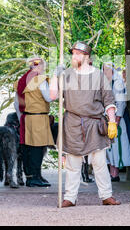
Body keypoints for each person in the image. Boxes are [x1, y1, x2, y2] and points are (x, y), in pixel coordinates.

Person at [50, 41, 120, 207]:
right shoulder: (66, 75)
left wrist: (111, 122)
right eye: (73, 53)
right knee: (73, 164)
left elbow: (109, 101)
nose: (74, 56)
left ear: (87, 56)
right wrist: (55, 75)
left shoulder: (99, 76)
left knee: (100, 162)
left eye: (78, 54)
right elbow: (53, 95)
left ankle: (106, 195)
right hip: (72, 122)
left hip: (94, 123)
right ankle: (70, 197)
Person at [17, 55, 55, 187]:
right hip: (38, 117)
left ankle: (33, 176)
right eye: (42, 65)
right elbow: (49, 97)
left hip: (27, 117)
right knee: (37, 149)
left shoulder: (23, 79)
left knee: (29, 148)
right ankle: (34, 178)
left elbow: (17, 102)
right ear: (38, 66)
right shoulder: (39, 79)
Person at [103, 63, 130, 182]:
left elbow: (121, 102)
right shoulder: (105, 83)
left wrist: (117, 119)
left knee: (116, 145)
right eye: (104, 70)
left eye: (107, 70)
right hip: (106, 118)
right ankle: (111, 172)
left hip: (117, 119)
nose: (105, 72)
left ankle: (115, 173)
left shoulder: (118, 82)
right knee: (109, 146)